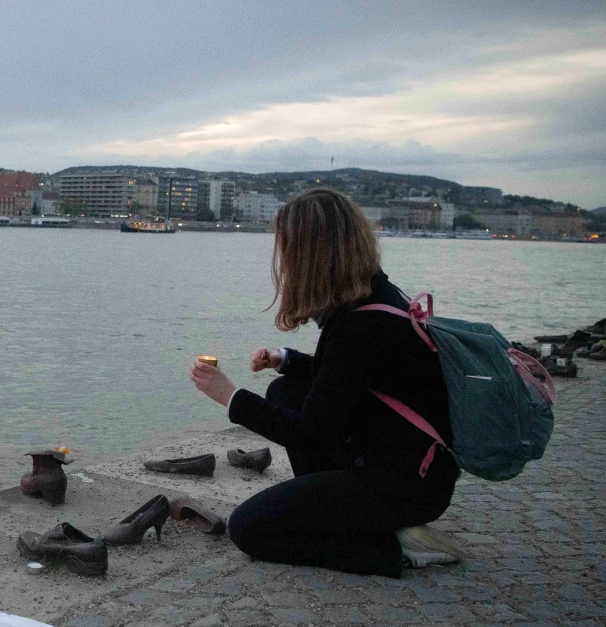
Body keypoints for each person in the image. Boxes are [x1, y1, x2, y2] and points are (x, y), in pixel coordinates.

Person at [189, 187, 462, 577]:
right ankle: (337, 510)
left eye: (287, 249)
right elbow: (348, 379)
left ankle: (390, 548)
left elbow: (311, 433)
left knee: (249, 529)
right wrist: (285, 360)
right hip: (408, 464)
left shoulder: (360, 326)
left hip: (401, 487)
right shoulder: (375, 296)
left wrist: (231, 398)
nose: (283, 261)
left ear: (310, 254)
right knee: (283, 390)